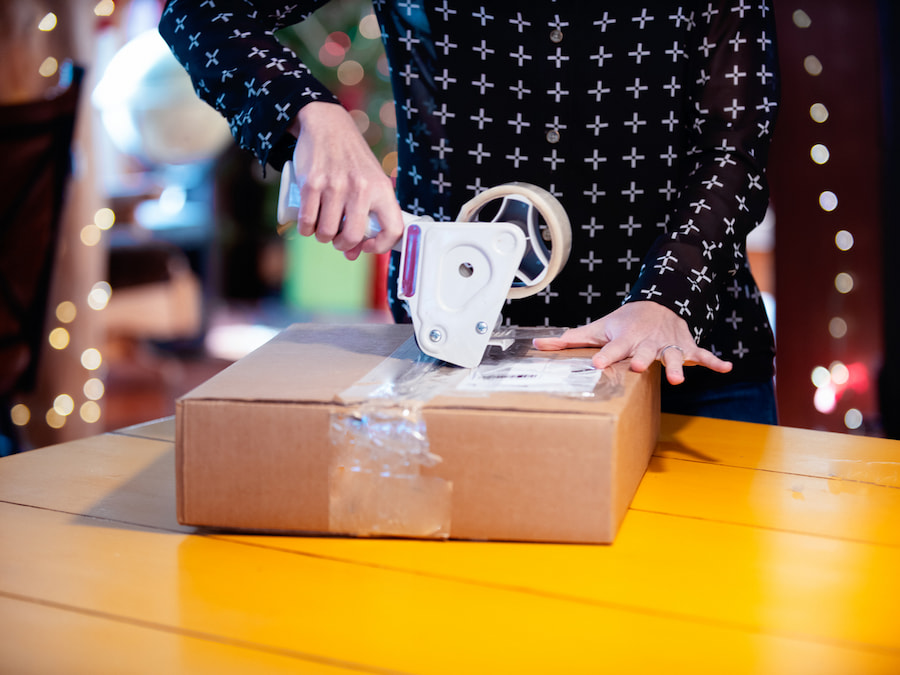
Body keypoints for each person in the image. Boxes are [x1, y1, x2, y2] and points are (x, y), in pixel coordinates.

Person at [159, 1, 780, 424]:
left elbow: (735, 147)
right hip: (461, 354)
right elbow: (204, 14)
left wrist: (665, 298)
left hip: (686, 365)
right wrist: (311, 114)